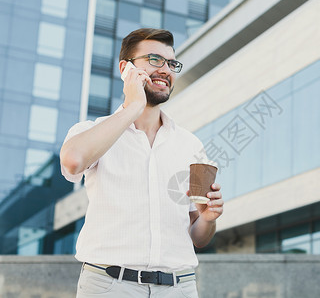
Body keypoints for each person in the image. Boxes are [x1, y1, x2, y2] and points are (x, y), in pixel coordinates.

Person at [60, 28, 224, 298]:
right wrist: (134, 106)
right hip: (109, 286)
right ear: (125, 68)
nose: (166, 69)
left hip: (179, 288)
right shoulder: (91, 131)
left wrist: (208, 218)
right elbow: (74, 161)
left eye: (171, 63)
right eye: (154, 60)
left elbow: (199, 236)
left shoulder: (190, 145)